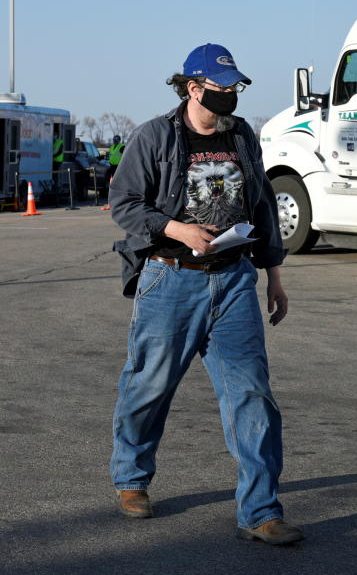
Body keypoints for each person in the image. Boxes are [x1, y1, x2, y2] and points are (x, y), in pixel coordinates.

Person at [107, 43, 302, 545]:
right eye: (222, 89)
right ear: (193, 88)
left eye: (236, 88)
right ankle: (132, 479)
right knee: (149, 385)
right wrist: (176, 228)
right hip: (170, 278)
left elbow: (261, 205)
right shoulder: (155, 136)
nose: (231, 97)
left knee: (251, 394)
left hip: (235, 279)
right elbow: (124, 204)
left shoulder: (241, 137)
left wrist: (273, 274)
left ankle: (260, 512)